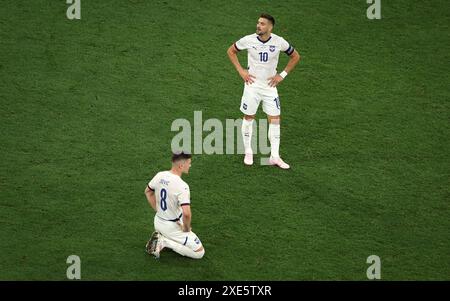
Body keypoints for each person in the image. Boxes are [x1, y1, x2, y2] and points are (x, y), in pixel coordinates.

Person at [227, 13, 301, 169]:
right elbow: (231, 51)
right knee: (249, 117)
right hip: (252, 86)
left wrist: (282, 75)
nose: (258, 26)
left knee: (275, 120)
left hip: (270, 87)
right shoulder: (248, 39)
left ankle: (274, 156)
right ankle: (248, 151)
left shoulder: (279, 42)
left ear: (270, 27)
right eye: (258, 23)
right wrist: (241, 71)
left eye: (262, 24)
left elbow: (295, 56)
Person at [144, 152, 204, 259]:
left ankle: (163, 235)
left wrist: (158, 210)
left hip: (158, 221)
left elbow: (148, 192)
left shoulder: (160, 175)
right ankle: (164, 242)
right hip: (172, 227)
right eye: (189, 163)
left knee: (178, 212)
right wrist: (186, 228)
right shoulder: (182, 186)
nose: (190, 165)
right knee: (199, 252)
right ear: (181, 166)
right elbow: (187, 214)